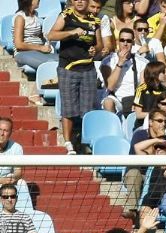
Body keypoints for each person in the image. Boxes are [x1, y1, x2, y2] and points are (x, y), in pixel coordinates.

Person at [48, 0, 102, 154]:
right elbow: (51, 35)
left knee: (88, 109)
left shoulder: (94, 21)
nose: (79, 1)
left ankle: (85, 142)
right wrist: (71, 32)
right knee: (69, 107)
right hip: (68, 68)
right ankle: (68, 143)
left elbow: (100, 45)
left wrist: (95, 49)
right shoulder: (66, 16)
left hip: (88, 69)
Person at [13, 0, 59, 105]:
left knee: (62, 60)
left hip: (38, 51)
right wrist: (40, 48)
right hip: (23, 53)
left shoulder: (36, 15)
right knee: (52, 63)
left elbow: (37, 36)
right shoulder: (20, 18)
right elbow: (19, 44)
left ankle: (37, 93)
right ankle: (39, 92)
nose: (39, 0)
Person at [100, 27, 148, 116]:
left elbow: (143, 86)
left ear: (133, 42)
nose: (125, 44)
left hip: (134, 98)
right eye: (122, 40)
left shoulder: (142, 62)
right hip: (115, 97)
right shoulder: (108, 61)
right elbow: (110, 86)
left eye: (128, 41)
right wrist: (120, 63)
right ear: (118, 42)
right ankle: (113, 128)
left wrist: (137, 101)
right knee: (108, 102)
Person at [132, 61, 166, 128]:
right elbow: (139, 114)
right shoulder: (141, 89)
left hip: (162, 125)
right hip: (142, 126)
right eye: (163, 72)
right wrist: (157, 115)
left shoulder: (165, 90)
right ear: (155, 74)